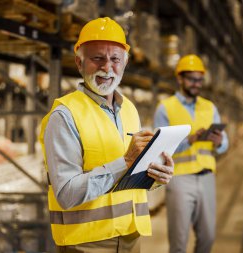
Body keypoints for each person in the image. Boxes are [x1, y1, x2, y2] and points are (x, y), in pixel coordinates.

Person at [39, 17, 174, 253]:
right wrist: (126, 161)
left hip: (131, 237)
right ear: (79, 63)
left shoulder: (130, 109)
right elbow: (66, 194)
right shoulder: (64, 116)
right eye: (97, 58)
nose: (107, 67)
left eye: (115, 59)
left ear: (125, 63)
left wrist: (155, 177)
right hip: (86, 244)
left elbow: (129, 178)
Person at [154, 54, 229, 253]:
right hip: (179, 179)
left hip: (206, 178)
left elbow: (225, 143)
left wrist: (219, 142)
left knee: (208, 237)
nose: (197, 84)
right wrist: (189, 141)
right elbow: (158, 149)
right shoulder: (165, 108)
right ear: (180, 79)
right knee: (179, 241)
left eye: (200, 80)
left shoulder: (209, 106)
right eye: (192, 79)